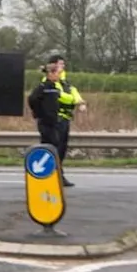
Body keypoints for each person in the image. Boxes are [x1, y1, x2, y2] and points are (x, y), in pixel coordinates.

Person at [26, 62, 75, 186]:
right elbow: (32, 100)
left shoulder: (53, 87)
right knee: (50, 149)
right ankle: (47, 176)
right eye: (57, 73)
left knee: (56, 149)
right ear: (51, 74)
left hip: (54, 122)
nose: (59, 76)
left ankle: (55, 175)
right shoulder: (44, 87)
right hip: (46, 123)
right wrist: (39, 114)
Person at [46, 55, 85, 186]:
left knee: (61, 149)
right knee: (55, 148)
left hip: (64, 118)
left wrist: (80, 101)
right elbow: (59, 96)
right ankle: (51, 175)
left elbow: (74, 91)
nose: (63, 66)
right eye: (60, 64)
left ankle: (59, 175)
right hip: (55, 119)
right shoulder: (50, 80)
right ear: (53, 65)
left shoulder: (65, 82)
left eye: (63, 64)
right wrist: (74, 100)